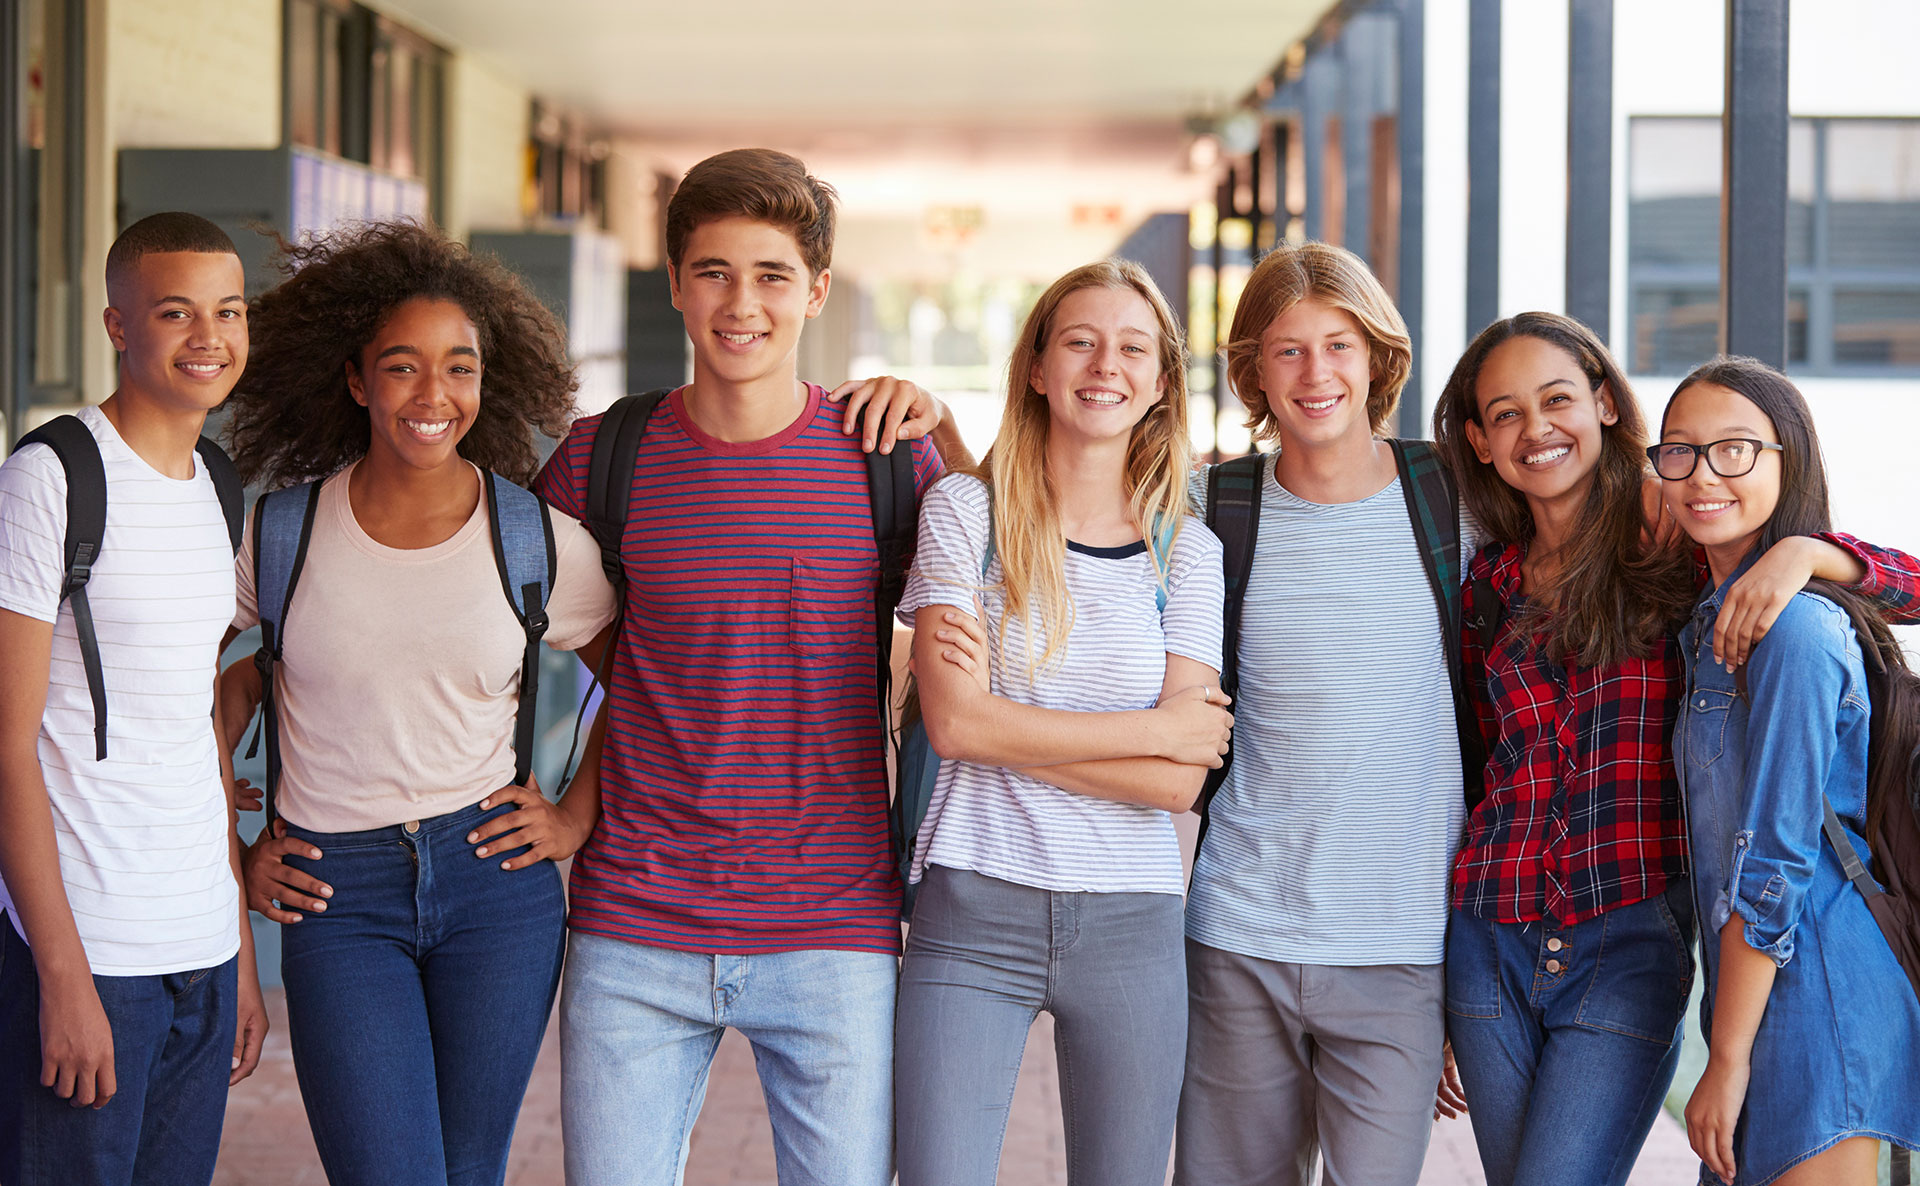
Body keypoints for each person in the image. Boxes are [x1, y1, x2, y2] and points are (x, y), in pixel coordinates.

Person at [533, 148, 949, 1186]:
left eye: (770, 275)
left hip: (836, 927)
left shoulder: (885, 455)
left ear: (814, 290)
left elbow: (1015, 577)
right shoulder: (599, 460)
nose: (740, 303)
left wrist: (952, 420)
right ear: (674, 282)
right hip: (635, 926)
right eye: (713, 270)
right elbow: (499, 612)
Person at [1430, 312, 1920, 1186]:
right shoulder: (1484, 585)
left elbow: (1908, 587)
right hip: (1488, 933)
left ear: (1607, 404)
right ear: (1479, 439)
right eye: (1505, 414)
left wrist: (1807, 554)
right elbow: (1471, 770)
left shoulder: (1682, 550)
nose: (1536, 428)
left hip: (1627, 936)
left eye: (1556, 399)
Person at [217, 221, 619, 1186]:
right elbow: (190, 687)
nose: (433, 396)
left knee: (467, 1171)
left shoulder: (534, 539)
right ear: (357, 379)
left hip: (495, 887)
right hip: (334, 891)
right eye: (402, 367)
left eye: (459, 367)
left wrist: (574, 814)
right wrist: (231, 856)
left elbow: (642, 678)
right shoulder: (284, 533)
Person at [893, 258, 1228, 1186]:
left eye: (1131, 348)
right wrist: (1148, 728)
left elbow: (1177, 783)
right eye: (1079, 341)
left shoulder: (1186, 552)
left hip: (1133, 921)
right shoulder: (967, 512)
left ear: (1160, 384)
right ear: (1037, 366)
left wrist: (1008, 722)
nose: (1103, 366)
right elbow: (955, 728)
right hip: (972, 905)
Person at [1164, 240, 1472, 1186]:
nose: (1315, 372)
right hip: (1237, 934)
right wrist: (933, 430)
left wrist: (1812, 559)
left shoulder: (1454, 498)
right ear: (1254, 367)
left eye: (1337, 344)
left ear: (1377, 354)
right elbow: (1056, 511)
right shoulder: (1215, 502)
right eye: (1287, 349)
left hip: (1401, 946)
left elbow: (1666, 519)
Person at [0, 212, 267, 1186]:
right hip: (85, 944)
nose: (210, 337)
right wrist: (62, 976)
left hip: (195, 943)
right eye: (175, 312)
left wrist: (235, 945)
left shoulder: (217, 484)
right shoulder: (51, 478)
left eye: (229, 310)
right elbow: (7, 745)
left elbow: (195, 727)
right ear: (119, 326)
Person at [1656, 357, 1920, 1186]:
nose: (1704, 475)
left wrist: (1725, 1057)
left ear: (1788, 458)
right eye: (1680, 451)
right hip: (1757, 992)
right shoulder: (1706, 621)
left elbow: (1772, 860)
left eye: (1735, 450)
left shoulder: (1799, 631)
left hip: (1820, 993)